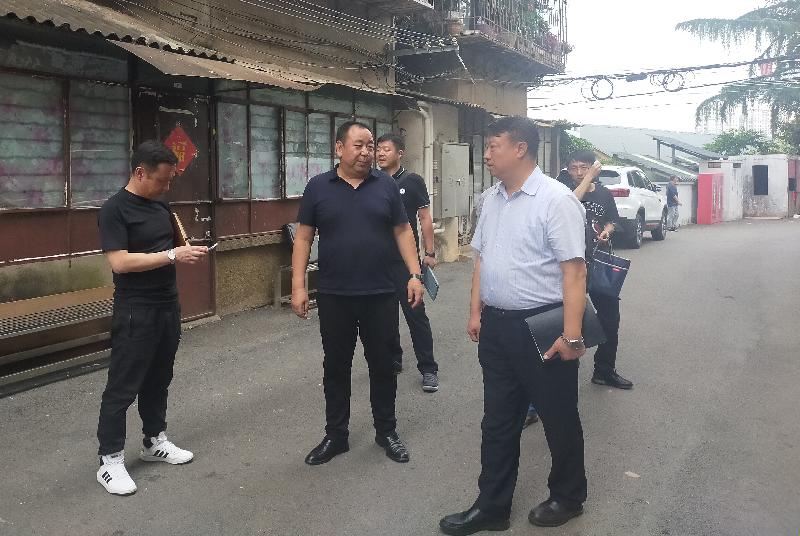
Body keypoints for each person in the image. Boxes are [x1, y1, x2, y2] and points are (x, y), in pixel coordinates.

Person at [439, 117, 588, 535]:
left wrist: (572, 336)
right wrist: (476, 312)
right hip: (498, 326)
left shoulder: (556, 200)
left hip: (543, 326)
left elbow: (574, 271)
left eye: (493, 146)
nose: (486, 154)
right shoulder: (491, 199)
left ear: (520, 149)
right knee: (498, 421)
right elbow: (482, 259)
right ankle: (492, 507)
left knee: (558, 416)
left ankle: (568, 496)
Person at [292, 121, 425, 466]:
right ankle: (336, 435)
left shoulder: (386, 185)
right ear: (339, 148)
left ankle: (386, 431)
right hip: (334, 295)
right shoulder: (318, 186)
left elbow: (402, 230)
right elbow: (303, 238)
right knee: (336, 367)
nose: (367, 152)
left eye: (370, 146)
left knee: (383, 366)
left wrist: (414, 274)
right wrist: (298, 286)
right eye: (359, 146)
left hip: (380, 292)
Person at [96, 141, 209, 496]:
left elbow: (172, 246)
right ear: (139, 172)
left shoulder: (161, 204)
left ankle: (154, 440)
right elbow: (120, 262)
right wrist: (172, 256)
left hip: (167, 305)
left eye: (170, 180)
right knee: (123, 385)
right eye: (162, 180)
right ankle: (110, 460)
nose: (166, 186)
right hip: (136, 309)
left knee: (159, 378)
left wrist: (186, 250)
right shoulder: (114, 209)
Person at [560, 152, 633, 390]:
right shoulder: (561, 192)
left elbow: (613, 220)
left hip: (598, 265)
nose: (579, 172)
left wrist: (607, 231)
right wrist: (588, 178)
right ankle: (559, 376)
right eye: (573, 168)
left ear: (593, 167)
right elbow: (568, 207)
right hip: (569, 268)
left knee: (610, 318)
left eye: (584, 167)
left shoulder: (603, 193)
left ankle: (604, 371)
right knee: (565, 320)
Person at [376, 133, 440, 393]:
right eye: (378, 149)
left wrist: (430, 252)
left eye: (386, 149)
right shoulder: (373, 181)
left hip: (406, 262)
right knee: (385, 316)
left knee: (415, 315)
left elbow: (424, 218)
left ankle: (429, 369)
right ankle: (393, 359)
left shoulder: (412, 181)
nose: (380, 153)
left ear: (399, 153)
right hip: (379, 262)